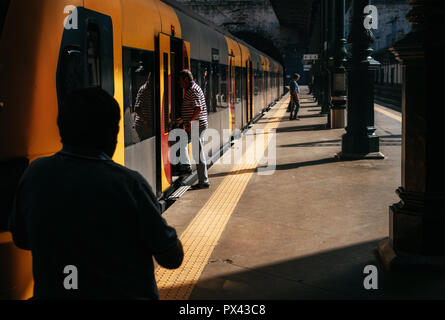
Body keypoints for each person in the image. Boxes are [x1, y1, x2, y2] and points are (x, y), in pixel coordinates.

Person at [8, 87, 183, 300]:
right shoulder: (130, 185)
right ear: (111, 134)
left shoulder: (34, 174)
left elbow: (22, 239)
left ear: (61, 128)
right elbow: (171, 258)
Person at [175, 70, 210, 190]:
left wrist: (189, 121)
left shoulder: (193, 90)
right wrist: (183, 120)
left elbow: (198, 108)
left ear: (185, 79)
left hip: (196, 125)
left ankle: (203, 181)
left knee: (198, 154)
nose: (179, 84)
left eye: (180, 80)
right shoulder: (194, 88)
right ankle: (199, 177)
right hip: (196, 124)